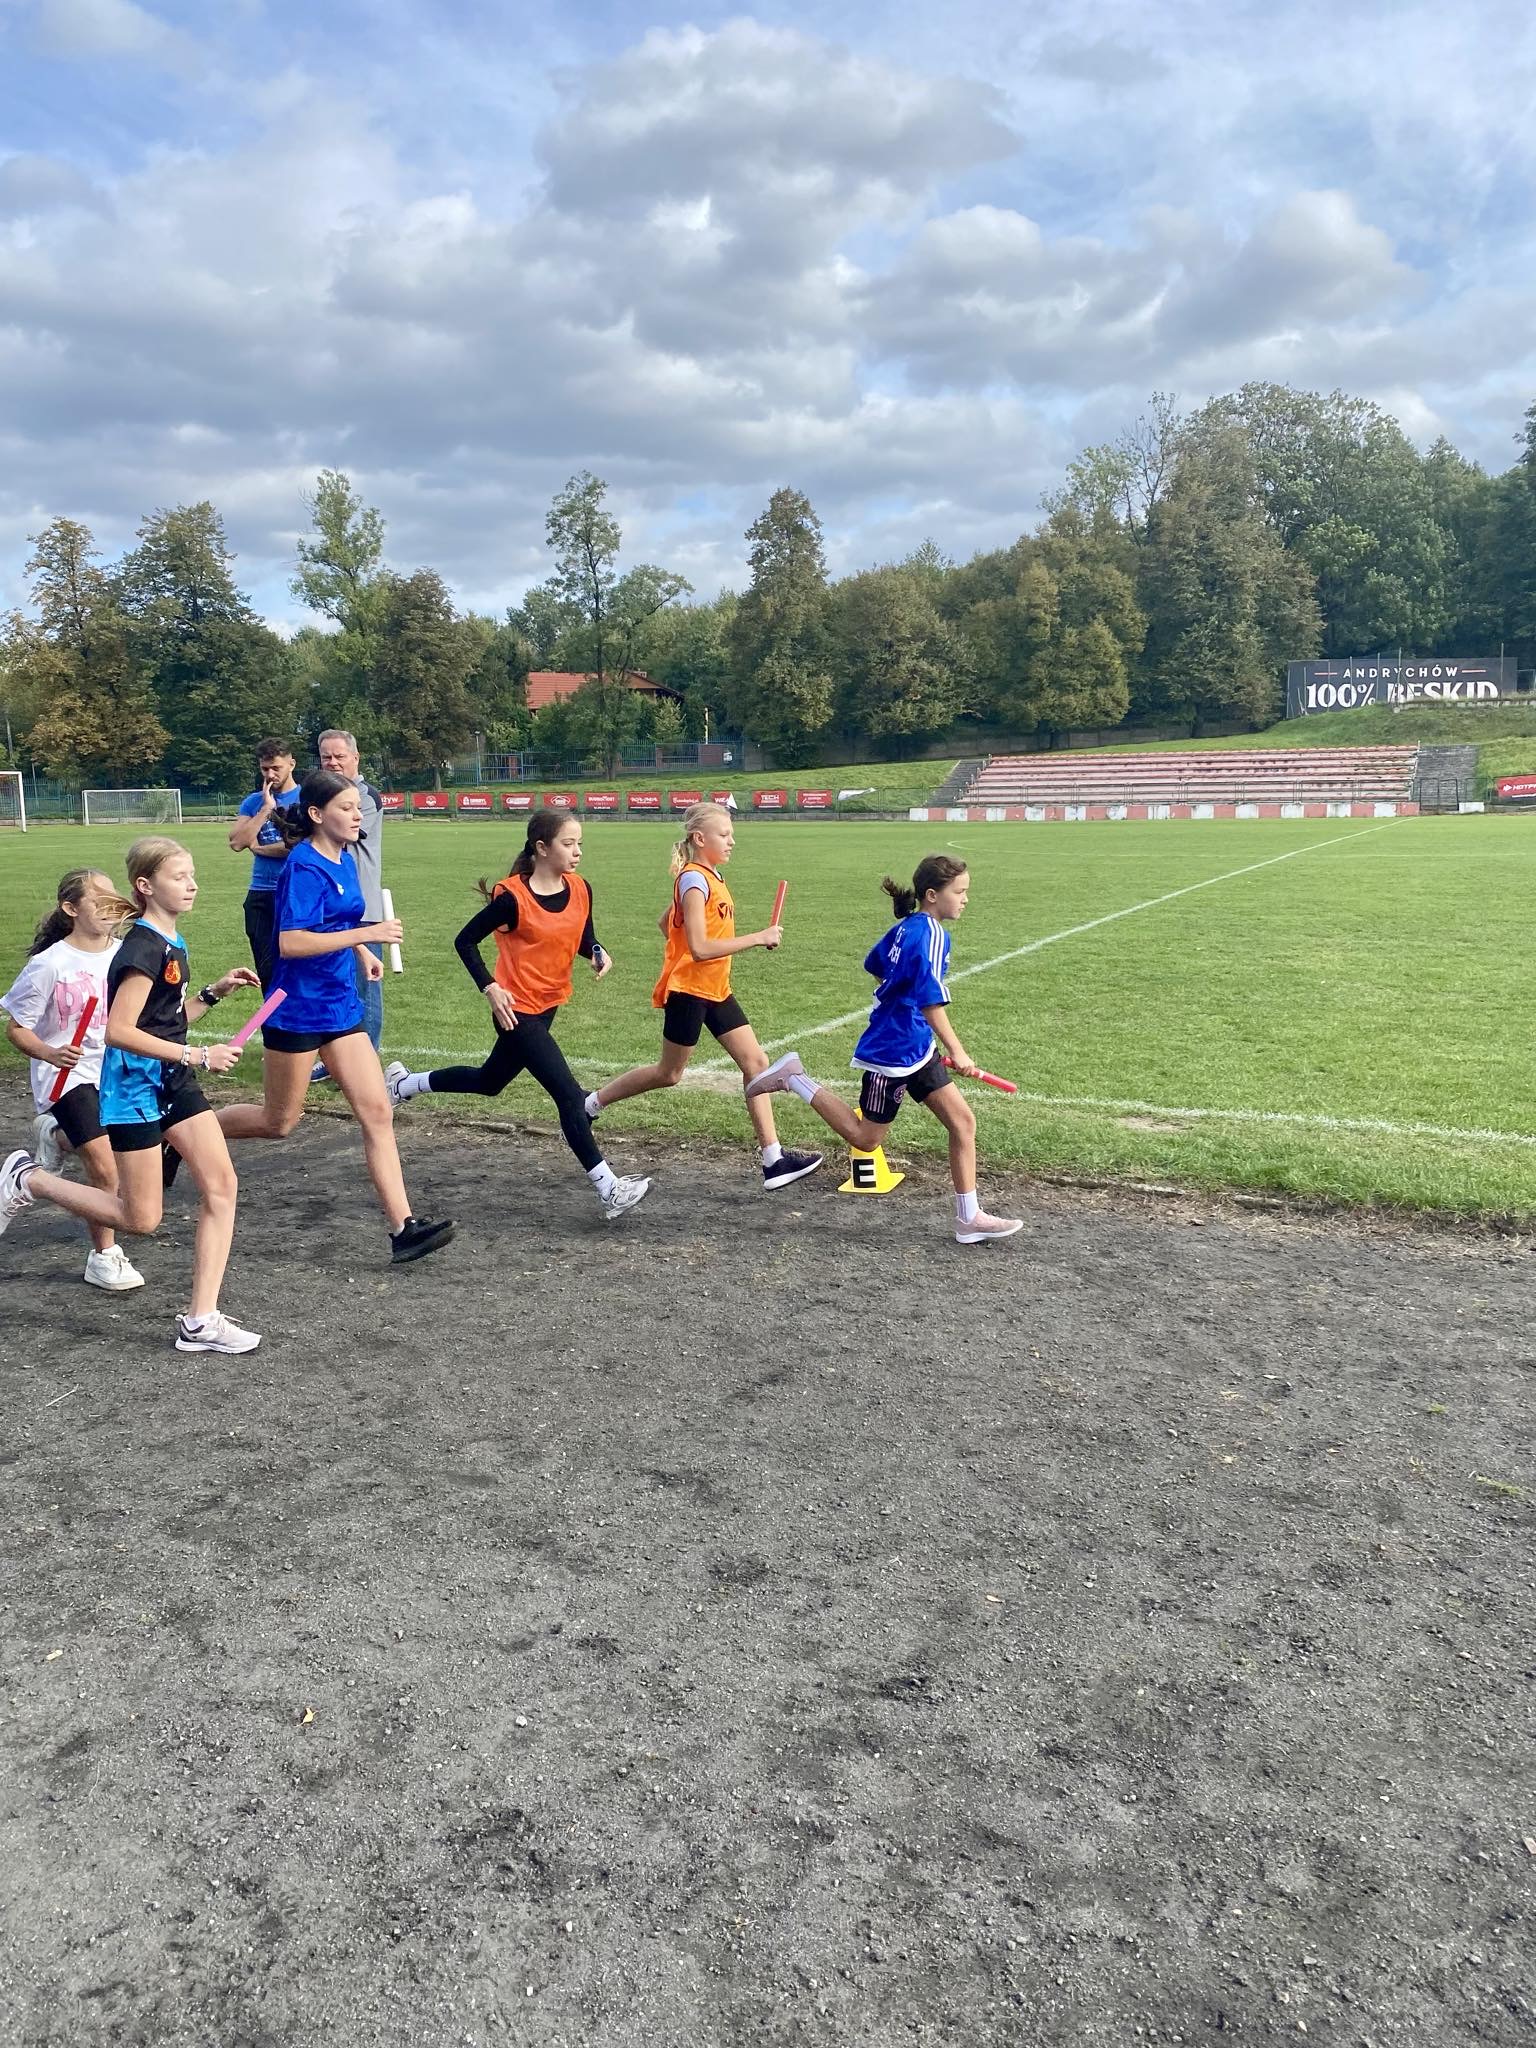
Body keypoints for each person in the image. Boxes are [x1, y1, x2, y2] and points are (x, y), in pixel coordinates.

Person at [0, 838, 263, 1351]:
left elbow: (162, 1021)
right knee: (140, 1218)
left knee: (222, 1185)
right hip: (134, 1089)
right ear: (146, 886)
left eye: (192, 875)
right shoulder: (142, 948)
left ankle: (200, 1321)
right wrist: (197, 1055)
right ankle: (30, 1179)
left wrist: (212, 993)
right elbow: (118, 1031)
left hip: (172, 1081)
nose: (192, 885)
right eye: (179, 877)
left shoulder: (171, 941)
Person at [215, 770, 454, 1265]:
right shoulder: (302, 865)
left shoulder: (343, 857)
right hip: (297, 1009)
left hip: (341, 1005)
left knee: (378, 1112)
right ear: (317, 814)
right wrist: (366, 936)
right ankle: (184, 1134)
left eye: (357, 808)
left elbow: (337, 921)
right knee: (278, 1122)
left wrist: (362, 950)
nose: (356, 815)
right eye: (346, 808)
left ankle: (403, 1228)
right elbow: (291, 942)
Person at [385, 808, 650, 1222]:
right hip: (515, 1010)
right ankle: (609, 1188)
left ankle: (404, 1085)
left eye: (579, 843)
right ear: (541, 848)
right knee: (570, 1096)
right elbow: (464, 941)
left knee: (489, 1082)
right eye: (568, 843)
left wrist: (597, 952)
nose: (577, 851)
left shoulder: (581, 888)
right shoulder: (511, 898)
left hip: (548, 1006)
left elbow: (583, 935)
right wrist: (490, 988)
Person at [745, 855, 1023, 1245]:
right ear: (932, 895)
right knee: (866, 1139)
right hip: (893, 1052)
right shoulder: (930, 933)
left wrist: (895, 996)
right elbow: (930, 1000)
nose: (965, 899)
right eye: (959, 892)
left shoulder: (907, 926)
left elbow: (874, 963)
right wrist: (958, 1051)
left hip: (917, 1045)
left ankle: (969, 1218)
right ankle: (794, 1078)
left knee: (963, 1123)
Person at [584, 800, 821, 1190]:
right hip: (691, 992)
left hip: (714, 989)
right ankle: (590, 1104)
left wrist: (684, 944)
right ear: (699, 838)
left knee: (756, 1062)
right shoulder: (694, 880)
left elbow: (668, 922)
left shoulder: (709, 877)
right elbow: (699, 948)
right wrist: (757, 937)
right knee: (669, 1074)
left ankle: (773, 1160)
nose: (731, 841)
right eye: (724, 835)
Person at [1, 869, 144, 1292]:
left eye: (112, 895)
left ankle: (57, 1136)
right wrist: (50, 1052)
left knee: (126, 1155)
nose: (110, 905)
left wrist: (211, 994)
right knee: (106, 1167)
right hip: (66, 1075)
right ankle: (104, 1256)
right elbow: (17, 1028)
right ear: (71, 908)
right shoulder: (49, 964)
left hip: (116, 1070)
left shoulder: (128, 955)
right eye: (97, 899)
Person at [317, 728, 386, 1060]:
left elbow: (341, 836)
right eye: (326, 757)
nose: (332, 762)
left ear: (355, 758)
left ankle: (365, 1060)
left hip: (362, 909)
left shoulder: (366, 797)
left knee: (364, 989)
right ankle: (337, 1060)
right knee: (335, 986)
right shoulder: (322, 797)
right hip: (329, 907)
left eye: (339, 756)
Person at [228, 739, 301, 991]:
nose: (270, 775)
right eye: (264, 769)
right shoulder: (254, 802)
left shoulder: (306, 798)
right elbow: (237, 842)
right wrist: (266, 809)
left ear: (291, 764)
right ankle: (274, 1017)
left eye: (276, 768)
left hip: (295, 891)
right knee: (268, 972)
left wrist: (259, 849)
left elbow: (298, 845)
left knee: (299, 970)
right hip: (261, 893)